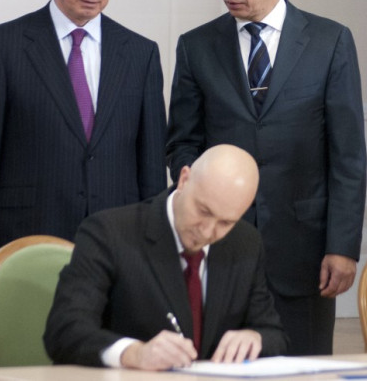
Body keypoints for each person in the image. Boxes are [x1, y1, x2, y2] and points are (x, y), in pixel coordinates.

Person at [165, 0, 366, 355]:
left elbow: (347, 156)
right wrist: (194, 192)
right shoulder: (195, 47)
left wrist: (343, 247)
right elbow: (183, 141)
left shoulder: (330, 42)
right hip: (220, 249)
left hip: (305, 254)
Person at [0, 0, 167, 287]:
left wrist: (154, 247)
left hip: (117, 246)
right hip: (26, 243)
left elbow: (150, 167)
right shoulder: (1, 47)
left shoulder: (141, 54)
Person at [44, 144, 288, 370]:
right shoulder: (109, 233)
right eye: (203, 211)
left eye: (225, 222)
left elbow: (274, 334)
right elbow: (64, 331)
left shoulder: (246, 243)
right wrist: (134, 353)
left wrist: (255, 338)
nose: (207, 231)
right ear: (184, 179)